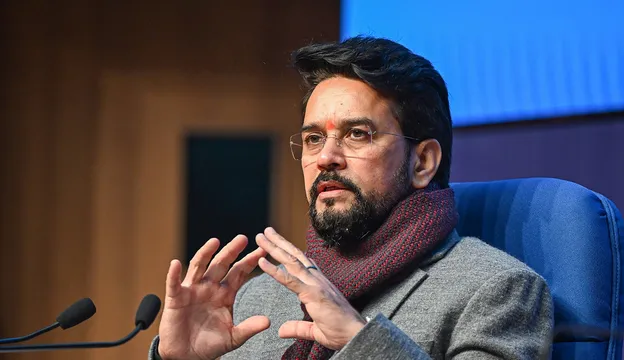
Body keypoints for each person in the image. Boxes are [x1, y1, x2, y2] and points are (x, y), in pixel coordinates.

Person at [148, 36, 554, 360]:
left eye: (357, 134)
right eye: (313, 139)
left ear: (423, 161)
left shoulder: (498, 291)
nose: (325, 157)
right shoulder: (256, 297)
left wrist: (359, 341)